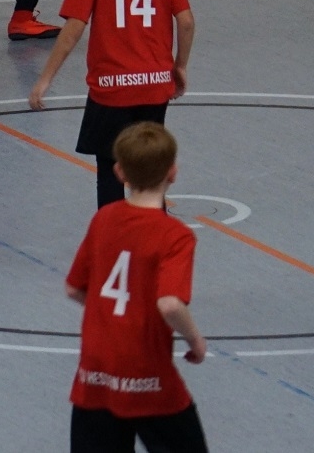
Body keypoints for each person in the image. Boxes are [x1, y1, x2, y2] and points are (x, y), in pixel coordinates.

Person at [28, 0, 195, 208]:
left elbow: (73, 30)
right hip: (154, 84)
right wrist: (179, 66)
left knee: (109, 167)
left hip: (110, 88)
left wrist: (45, 79)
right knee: (150, 168)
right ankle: (155, 230)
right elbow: (186, 21)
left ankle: (113, 231)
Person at [65, 121, 209, 453]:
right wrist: (195, 340)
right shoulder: (175, 235)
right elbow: (170, 303)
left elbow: (74, 289)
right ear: (172, 172)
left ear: (119, 172)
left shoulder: (103, 219)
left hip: (96, 369)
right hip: (146, 371)